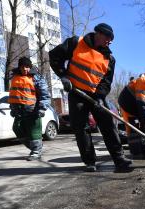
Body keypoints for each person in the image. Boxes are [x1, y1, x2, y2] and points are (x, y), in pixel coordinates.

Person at [48, 23, 131, 172]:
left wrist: (100, 97)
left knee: (108, 125)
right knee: (81, 128)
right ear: (98, 33)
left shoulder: (109, 59)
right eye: (108, 37)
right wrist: (63, 76)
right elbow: (54, 56)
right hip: (76, 93)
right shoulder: (76, 43)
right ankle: (90, 161)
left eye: (112, 39)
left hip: (95, 95)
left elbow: (106, 82)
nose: (110, 41)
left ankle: (119, 159)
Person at [8, 57, 50, 161]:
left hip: (32, 109)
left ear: (30, 67)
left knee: (34, 131)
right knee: (17, 128)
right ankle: (35, 148)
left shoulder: (36, 77)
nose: (25, 69)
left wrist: (42, 108)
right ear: (20, 67)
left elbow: (45, 94)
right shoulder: (14, 77)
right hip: (18, 110)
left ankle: (36, 152)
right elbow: (14, 93)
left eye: (27, 67)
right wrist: (12, 108)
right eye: (23, 67)